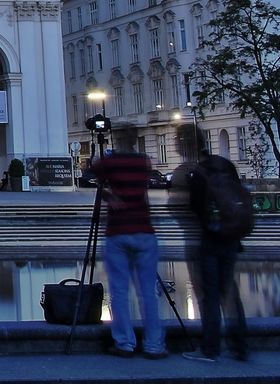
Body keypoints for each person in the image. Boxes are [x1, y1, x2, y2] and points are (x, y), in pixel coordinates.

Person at [170, 125, 251, 362]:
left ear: (183, 145)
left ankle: (210, 348)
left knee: (208, 295)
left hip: (204, 239)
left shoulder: (189, 171)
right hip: (231, 236)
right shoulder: (225, 165)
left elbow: (185, 208)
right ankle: (240, 346)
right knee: (230, 292)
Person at [90, 146, 168, 359]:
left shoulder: (110, 162)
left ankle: (124, 343)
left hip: (118, 231)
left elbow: (91, 171)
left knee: (120, 291)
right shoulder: (143, 161)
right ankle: (154, 345)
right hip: (144, 230)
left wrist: (107, 194)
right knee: (149, 293)